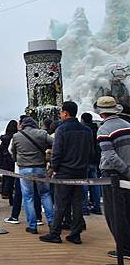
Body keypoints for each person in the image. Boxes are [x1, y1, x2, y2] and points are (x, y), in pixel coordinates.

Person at [40, 101, 93, 244]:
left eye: (61, 112)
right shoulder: (87, 130)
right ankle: (75, 234)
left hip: (64, 171)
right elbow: (91, 152)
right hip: (81, 171)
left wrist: (55, 168)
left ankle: (55, 233)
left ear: (65, 113)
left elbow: (57, 152)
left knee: (60, 203)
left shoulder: (62, 130)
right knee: (77, 203)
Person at [94, 96, 130, 259]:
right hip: (127, 175)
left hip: (113, 175)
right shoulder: (127, 125)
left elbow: (110, 156)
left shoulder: (104, 129)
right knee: (127, 211)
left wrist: (126, 170)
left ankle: (123, 249)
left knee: (114, 213)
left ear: (101, 113)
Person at [9, 116, 54, 234]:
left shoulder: (17, 136)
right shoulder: (42, 134)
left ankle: (32, 226)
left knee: (28, 197)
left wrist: (19, 160)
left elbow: (13, 152)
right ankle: (52, 222)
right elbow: (55, 144)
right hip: (40, 168)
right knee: (45, 194)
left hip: (24, 169)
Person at [80, 112, 102, 215]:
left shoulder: (83, 130)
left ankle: (84, 207)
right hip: (94, 160)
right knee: (95, 184)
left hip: (84, 160)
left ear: (82, 120)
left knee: (84, 184)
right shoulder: (97, 129)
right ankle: (97, 206)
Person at [0, 120, 17, 199]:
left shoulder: (4, 138)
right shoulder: (15, 137)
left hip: (5, 159)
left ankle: (4, 192)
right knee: (12, 176)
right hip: (12, 158)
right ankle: (10, 193)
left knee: (5, 176)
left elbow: (1, 148)